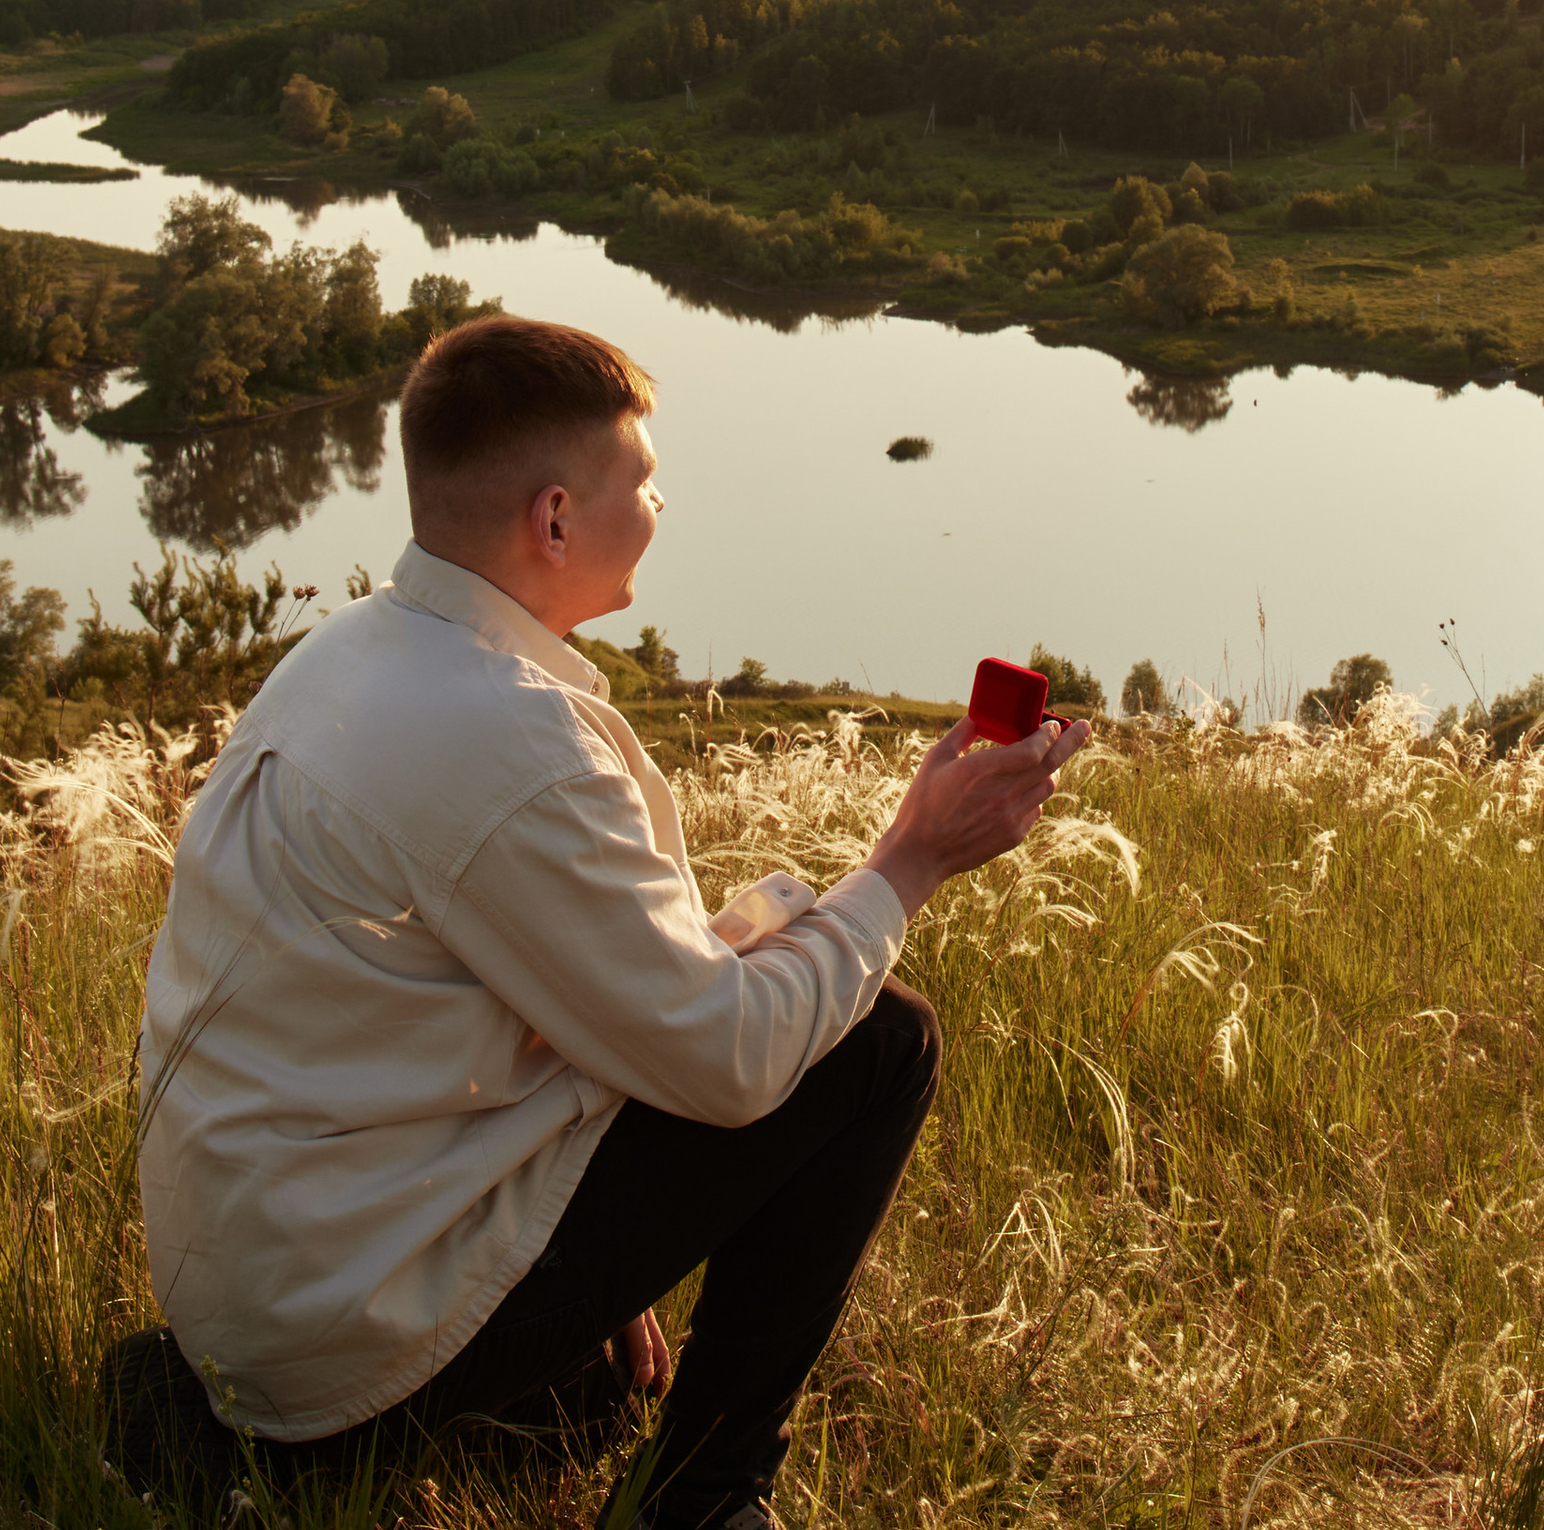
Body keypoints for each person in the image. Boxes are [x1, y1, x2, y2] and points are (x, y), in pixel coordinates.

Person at [109, 314, 1088, 1530]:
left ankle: (241, 1430)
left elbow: (544, 989)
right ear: (556, 518)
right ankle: (703, 1501)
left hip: (263, 1289)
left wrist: (588, 1224)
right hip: (336, 1339)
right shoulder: (504, 736)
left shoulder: (355, 655)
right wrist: (908, 859)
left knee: (587, 1402)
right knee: (876, 1041)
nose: (664, 504)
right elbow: (728, 1060)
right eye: (646, 480)